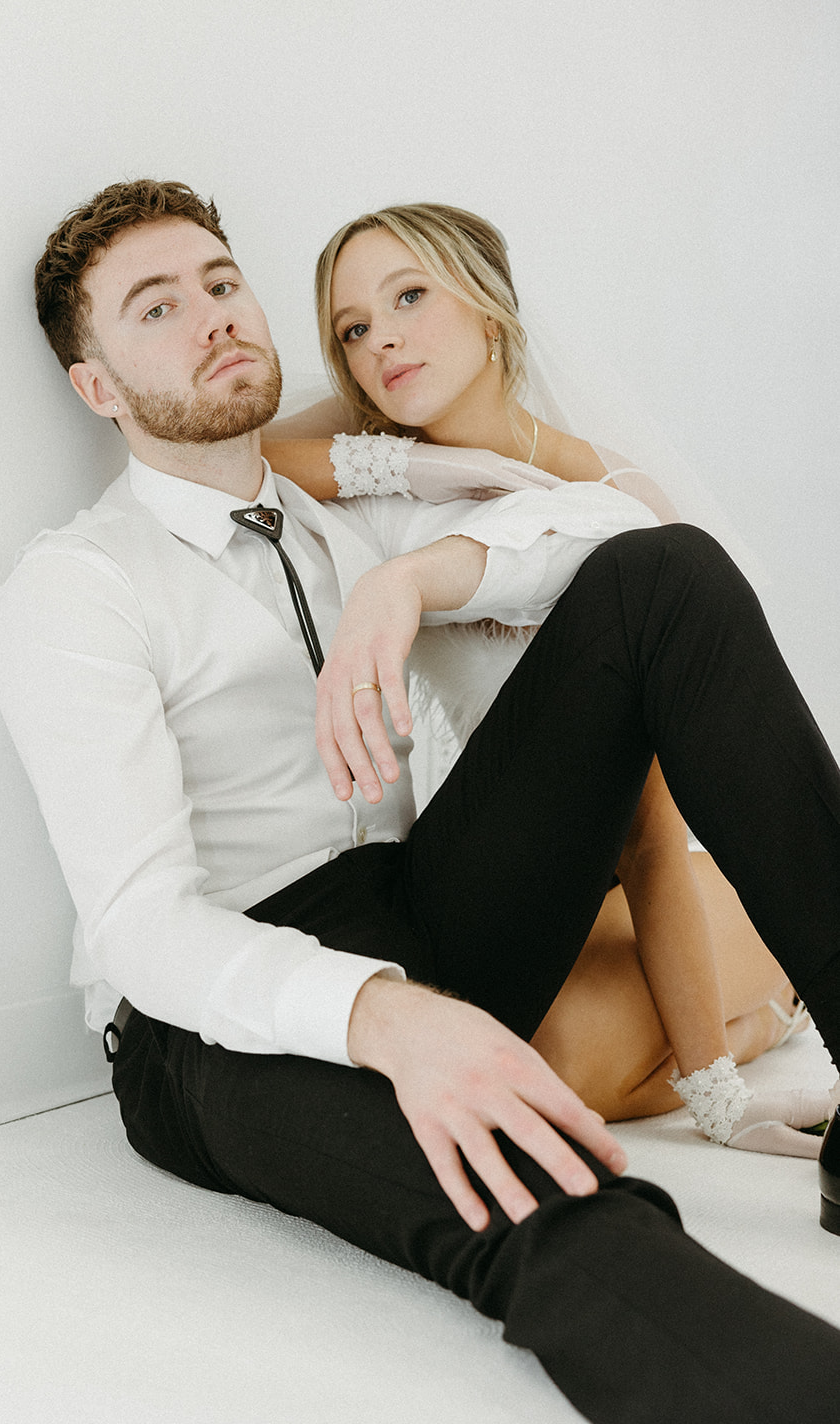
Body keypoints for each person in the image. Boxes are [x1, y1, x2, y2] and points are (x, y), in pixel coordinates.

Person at [0, 178, 840, 1424]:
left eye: (222, 282)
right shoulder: (76, 586)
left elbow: (612, 525)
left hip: (419, 906)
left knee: (666, 579)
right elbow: (138, 925)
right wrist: (377, 1016)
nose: (211, 315)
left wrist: (408, 586)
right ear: (97, 386)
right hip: (216, 1022)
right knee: (531, 1192)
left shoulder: (344, 534)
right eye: (156, 307)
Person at [262, 201, 826, 1145]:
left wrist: (714, 1096)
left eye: (409, 296)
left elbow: (648, 837)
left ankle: (777, 1004)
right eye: (351, 330)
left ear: (489, 308)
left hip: (640, 873)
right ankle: (759, 1005)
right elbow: (242, 455)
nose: (381, 341)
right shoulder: (378, 473)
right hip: (510, 885)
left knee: (574, 1051)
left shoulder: (614, 504)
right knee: (532, 1056)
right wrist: (426, 470)